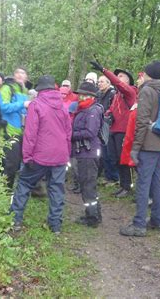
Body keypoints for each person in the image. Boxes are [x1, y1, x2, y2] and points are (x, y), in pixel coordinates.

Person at [10, 75, 72, 234]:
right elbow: (68, 133)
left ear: (40, 90)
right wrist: (66, 154)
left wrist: (27, 156)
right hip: (60, 155)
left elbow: (30, 134)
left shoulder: (36, 105)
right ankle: (55, 226)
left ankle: (15, 220)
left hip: (40, 155)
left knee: (24, 183)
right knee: (57, 189)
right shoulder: (63, 106)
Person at [119, 60, 160, 237]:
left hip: (148, 145)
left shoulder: (147, 90)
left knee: (142, 184)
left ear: (147, 73)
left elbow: (142, 122)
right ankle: (157, 220)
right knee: (156, 184)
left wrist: (135, 147)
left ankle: (139, 224)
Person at [89, 60, 137, 198]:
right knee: (115, 158)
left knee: (124, 159)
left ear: (128, 80)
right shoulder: (117, 95)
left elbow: (118, 83)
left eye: (121, 76)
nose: (119, 77)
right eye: (118, 76)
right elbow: (112, 109)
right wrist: (108, 114)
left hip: (124, 131)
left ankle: (128, 186)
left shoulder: (130, 91)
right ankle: (123, 185)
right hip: (114, 130)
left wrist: (103, 70)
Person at [72, 82, 103, 227]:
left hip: (88, 153)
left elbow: (90, 132)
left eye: (83, 94)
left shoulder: (92, 111)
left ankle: (92, 218)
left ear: (90, 96)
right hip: (85, 152)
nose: (80, 97)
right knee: (88, 184)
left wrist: (71, 134)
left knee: (88, 185)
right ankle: (94, 214)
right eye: (79, 94)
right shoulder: (85, 109)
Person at [0, 67, 30, 188]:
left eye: (23, 73)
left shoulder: (24, 91)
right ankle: (4, 193)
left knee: (17, 165)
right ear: (14, 75)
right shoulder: (6, 88)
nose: (20, 75)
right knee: (10, 165)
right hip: (8, 132)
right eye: (17, 72)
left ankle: (9, 191)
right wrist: (22, 104)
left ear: (26, 77)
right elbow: (4, 107)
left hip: (22, 132)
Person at [96, 75, 118, 184]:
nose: (99, 83)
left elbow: (114, 109)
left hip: (110, 126)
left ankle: (114, 177)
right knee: (103, 153)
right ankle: (108, 176)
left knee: (110, 153)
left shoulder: (112, 94)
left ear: (108, 83)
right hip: (100, 125)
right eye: (98, 82)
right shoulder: (99, 94)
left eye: (102, 82)